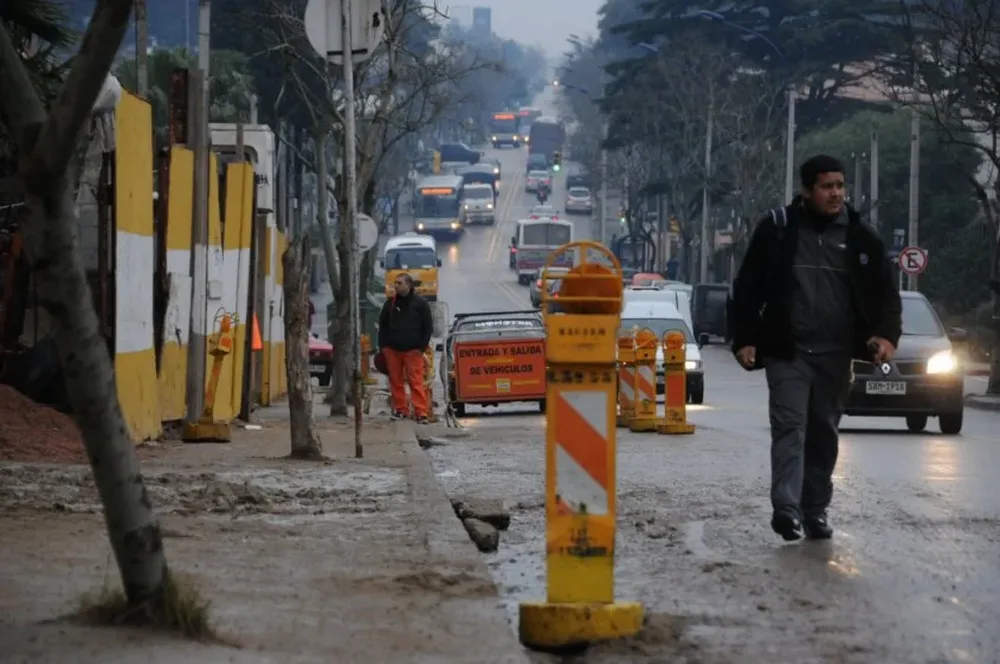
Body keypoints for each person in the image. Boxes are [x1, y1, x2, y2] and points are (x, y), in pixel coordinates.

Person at [730, 154, 901, 542]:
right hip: (788, 351)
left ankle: (815, 510)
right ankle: (786, 510)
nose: (836, 194)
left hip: (836, 355)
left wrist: (885, 336)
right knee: (790, 426)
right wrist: (746, 339)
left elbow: (886, 295)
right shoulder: (777, 230)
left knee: (823, 432)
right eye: (827, 187)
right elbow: (747, 287)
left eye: (840, 186)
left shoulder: (862, 237)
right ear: (806, 191)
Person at [378, 273, 434, 422]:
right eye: (395, 283)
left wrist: (420, 348)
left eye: (399, 283)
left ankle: (421, 412)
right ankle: (401, 410)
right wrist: (383, 347)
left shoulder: (420, 304)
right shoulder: (390, 304)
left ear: (408, 285)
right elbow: (382, 326)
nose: (396, 286)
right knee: (396, 381)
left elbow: (428, 327)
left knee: (416, 381)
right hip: (393, 350)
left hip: (413, 350)